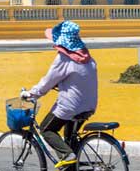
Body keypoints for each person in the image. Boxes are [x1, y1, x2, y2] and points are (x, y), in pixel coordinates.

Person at [22, 21, 98, 168]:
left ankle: (67, 155)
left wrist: (31, 94)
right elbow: (78, 78)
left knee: (46, 129)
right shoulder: (88, 58)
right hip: (89, 105)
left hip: (70, 106)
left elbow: (47, 82)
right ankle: (71, 161)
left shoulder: (63, 59)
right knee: (69, 139)